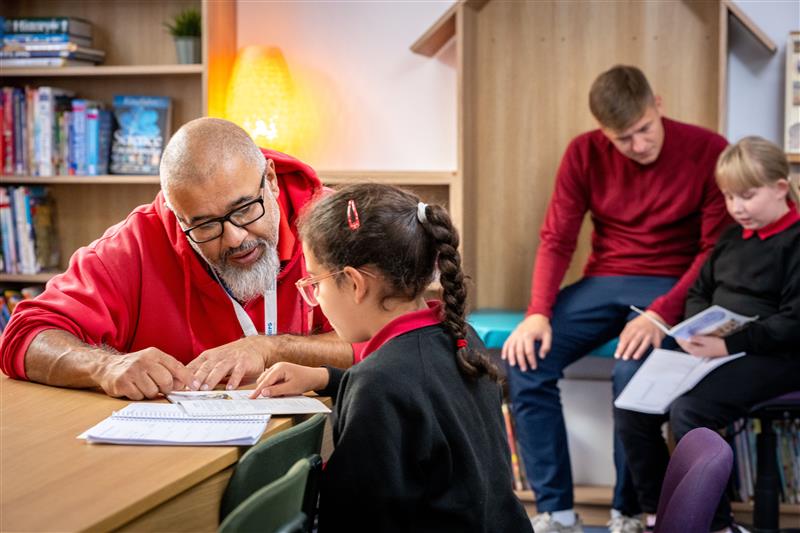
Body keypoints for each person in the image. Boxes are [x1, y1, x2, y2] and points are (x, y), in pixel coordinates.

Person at [501, 65, 731, 533]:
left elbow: (713, 252)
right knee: (525, 360)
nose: (639, 145)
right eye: (623, 138)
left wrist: (660, 313)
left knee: (635, 373)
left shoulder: (709, 149)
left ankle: (627, 512)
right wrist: (538, 311)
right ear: (604, 133)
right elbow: (558, 237)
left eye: (645, 129)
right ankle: (556, 511)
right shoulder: (584, 153)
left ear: (659, 104)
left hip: (673, 286)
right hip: (603, 282)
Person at [0, 118, 353, 400]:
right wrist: (105, 367)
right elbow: (24, 336)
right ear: (177, 215)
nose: (235, 237)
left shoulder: (336, 224)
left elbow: (393, 338)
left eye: (244, 209)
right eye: (204, 225)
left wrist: (270, 348)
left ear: (271, 181)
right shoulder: (136, 243)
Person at [250, 183, 533, 532]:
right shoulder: (459, 338)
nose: (316, 296)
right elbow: (423, 396)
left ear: (354, 283)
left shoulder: (379, 384)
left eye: (314, 282)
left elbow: (354, 520)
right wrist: (326, 377)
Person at [616, 137, 800, 533]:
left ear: (780, 188)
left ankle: (715, 525)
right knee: (632, 406)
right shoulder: (732, 238)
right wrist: (698, 328)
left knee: (691, 410)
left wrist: (728, 343)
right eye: (730, 197)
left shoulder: (796, 242)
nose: (736, 208)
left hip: (778, 355)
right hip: (716, 348)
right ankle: (656, 514)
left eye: (747, 196)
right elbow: (699, 291)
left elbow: (793, 322)